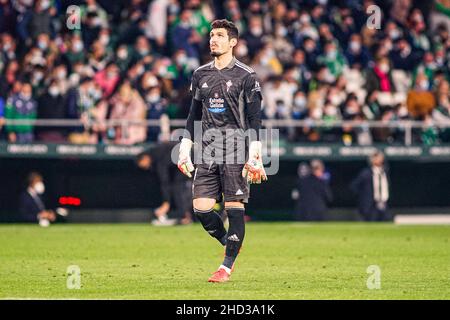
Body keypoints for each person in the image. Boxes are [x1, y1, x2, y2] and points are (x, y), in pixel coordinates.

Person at [177, 19, 267, 283]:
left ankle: (226, 267)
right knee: (202, 209)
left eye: (219, 35)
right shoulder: (200, 75)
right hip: (207, 150)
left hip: (236, 150)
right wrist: (185, 147)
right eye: (211, 35)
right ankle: (229, 241)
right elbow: (193, 116)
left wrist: (255, 154)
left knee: (233, 205)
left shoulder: (246, 76)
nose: (213, 40)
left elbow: (255, 120)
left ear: (233, 42)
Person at [136, 140, 192, 226]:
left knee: (178, 187)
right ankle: (185, 216)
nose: (145, 167)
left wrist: (166, 202)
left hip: (189, 158)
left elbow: (164, 181)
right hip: (183, 160)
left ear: (145, 158)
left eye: (143, 164)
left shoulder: (158, 156)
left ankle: (186, 217)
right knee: (177, 185)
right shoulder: (156, 153)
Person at [350, 150, 391, 221]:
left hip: (383, 203)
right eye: (377, 158)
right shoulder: (365, 173)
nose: (379, 160)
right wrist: (363, 198)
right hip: (370, 205)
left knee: (386, 222)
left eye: (380, 158)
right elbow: (354, 186)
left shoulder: (384, 171)